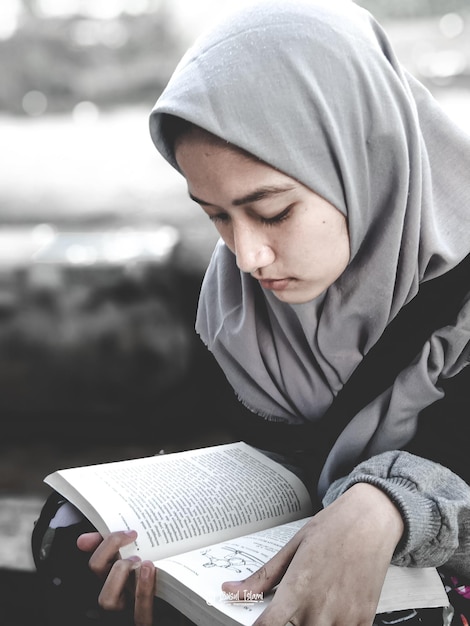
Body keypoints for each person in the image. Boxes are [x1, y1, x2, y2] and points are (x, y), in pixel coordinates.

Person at [32, 0, 470, 624]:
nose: (247, 256)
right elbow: (216, 461)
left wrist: (389, 509)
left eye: (272, 211)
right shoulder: (234, 307)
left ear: (364, 155)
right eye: (216, 216)